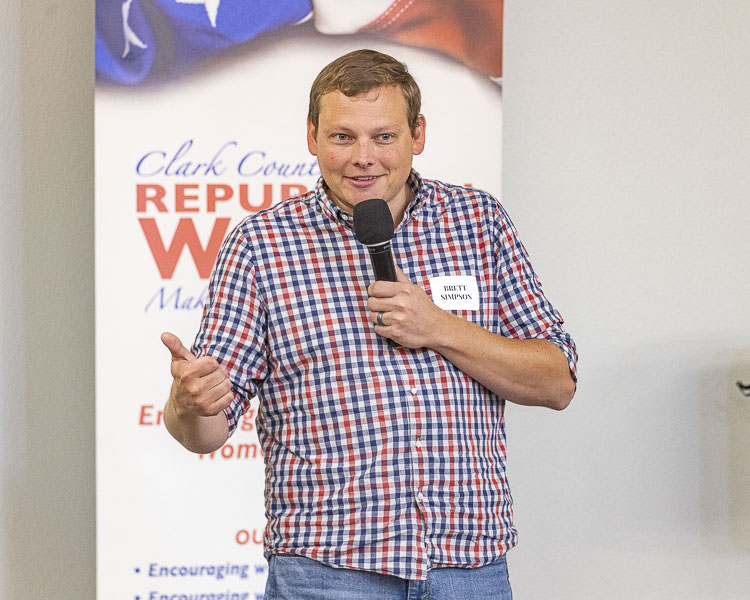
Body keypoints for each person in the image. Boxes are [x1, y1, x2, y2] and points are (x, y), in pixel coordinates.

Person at [161, 49, 577, 600]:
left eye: (383, 137)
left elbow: (557, 381)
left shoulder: (479, 221)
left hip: (468, 568)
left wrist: (438, 326)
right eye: (342, 137)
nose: (364, 158)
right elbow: (205, 431)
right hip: (327, 572)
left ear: (417, 134)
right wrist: (188, 406)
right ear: (312, 137)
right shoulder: (261, 245)